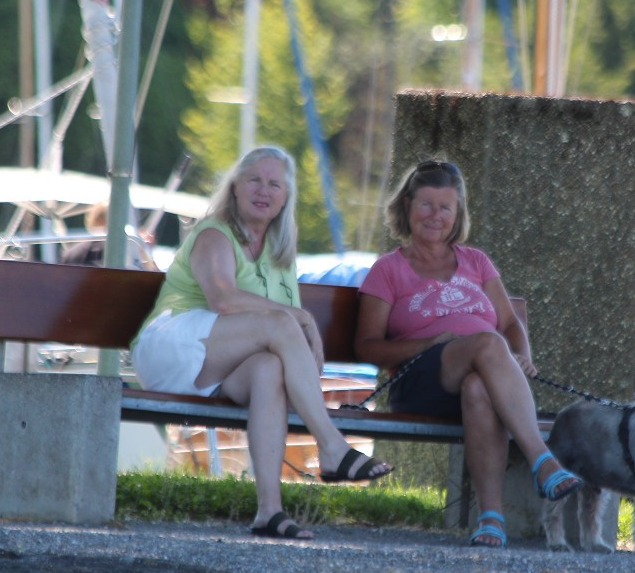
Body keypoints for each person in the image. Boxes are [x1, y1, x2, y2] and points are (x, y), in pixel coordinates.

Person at [131, 146, 392, 540]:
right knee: (282, 324)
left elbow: (284, 344)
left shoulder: (280, 255)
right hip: (173, 347)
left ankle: (269, 511)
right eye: (254, 179)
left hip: (218, 368)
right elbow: (223, 299)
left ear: (285, 197)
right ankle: (332, 448)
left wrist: (296, 348)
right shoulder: (214, 233)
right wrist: (301, 319)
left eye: (274, 184)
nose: (263, 190)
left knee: (270, 369)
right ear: (235, 186)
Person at [354, 159, 581, 548]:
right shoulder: (388, 269)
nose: (435, 216)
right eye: (425, 204)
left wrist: (521, 356)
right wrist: (426, 345)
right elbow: (366, 346)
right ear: (407, 206)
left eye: (446, 207)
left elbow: (510, 326)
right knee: (489, 344)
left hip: (477, 375)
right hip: (419, 381)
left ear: (458, 214)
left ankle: (491, 519)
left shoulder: (476, 261)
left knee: (479, 388)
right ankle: (541, 461)